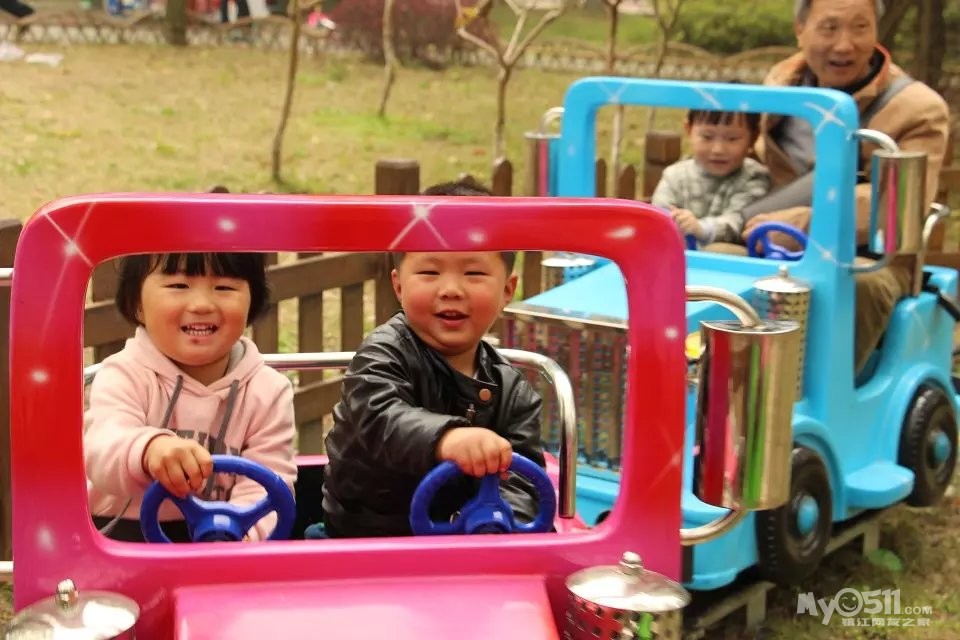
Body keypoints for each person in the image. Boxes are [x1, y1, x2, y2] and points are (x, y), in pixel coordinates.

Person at [320, 179, 546, 539]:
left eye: (474, 273)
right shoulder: (383, 352)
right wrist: (447, 438)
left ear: (507, 289)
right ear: (399, 286)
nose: (451, 289)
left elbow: (523, 481)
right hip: (363, 542)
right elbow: (378, 417)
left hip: (464, 546)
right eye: (429, 272)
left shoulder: (513, 393)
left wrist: (503, 525)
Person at [740, 0, 949, 376]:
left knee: (855, 285)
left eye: (860, 27)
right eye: (829, 27)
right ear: (800, 30)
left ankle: (814, 395)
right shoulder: (781, 84)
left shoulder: (917, 108)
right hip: (771, 238)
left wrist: (804, 223)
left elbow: (896, 204)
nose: (844, 44)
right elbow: (750, 161)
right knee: (713, 256)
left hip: (871, 254)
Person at [84, 252, 297, 542]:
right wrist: (150, 449)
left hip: (223, 539)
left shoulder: (268, 391)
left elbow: (266, 486)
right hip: (120, 537)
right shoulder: (125, 374)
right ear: (137, 304)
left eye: (224, 287)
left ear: (252, 301)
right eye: (179, 286)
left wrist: (241, 537)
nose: (201, 304)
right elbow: (103, 449)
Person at [651, 106, 771, 247]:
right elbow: (658, 216)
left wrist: (701, 229)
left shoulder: (754, 177)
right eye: (707, 137)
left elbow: (739, 220)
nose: (718, 149)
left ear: (753, 138)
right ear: (688, 130)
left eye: (732, 139)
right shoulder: (674, 175)